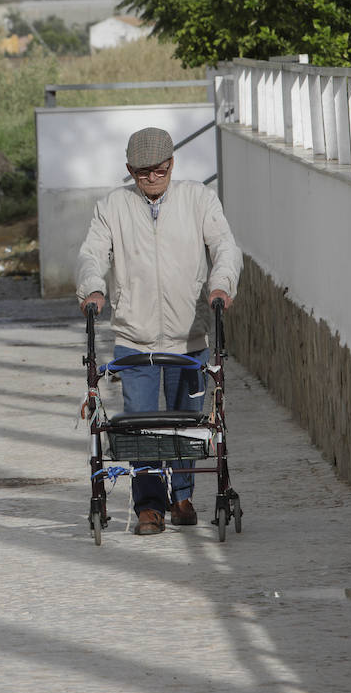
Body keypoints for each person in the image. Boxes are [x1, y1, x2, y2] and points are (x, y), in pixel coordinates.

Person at [76, 126, 242, 535]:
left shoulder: (198, 199)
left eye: (160, 169)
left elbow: (225, 247)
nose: (152, 178)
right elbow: (92, 254)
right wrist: (93, 288)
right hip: (135, 339)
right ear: (130, 170)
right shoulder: (112, 207)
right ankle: (149, 505)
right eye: (143, 172)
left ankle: (182, 496)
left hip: (190, 338)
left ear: (173, 164)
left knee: (187, 422)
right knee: (141, 427)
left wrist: (221, 284)